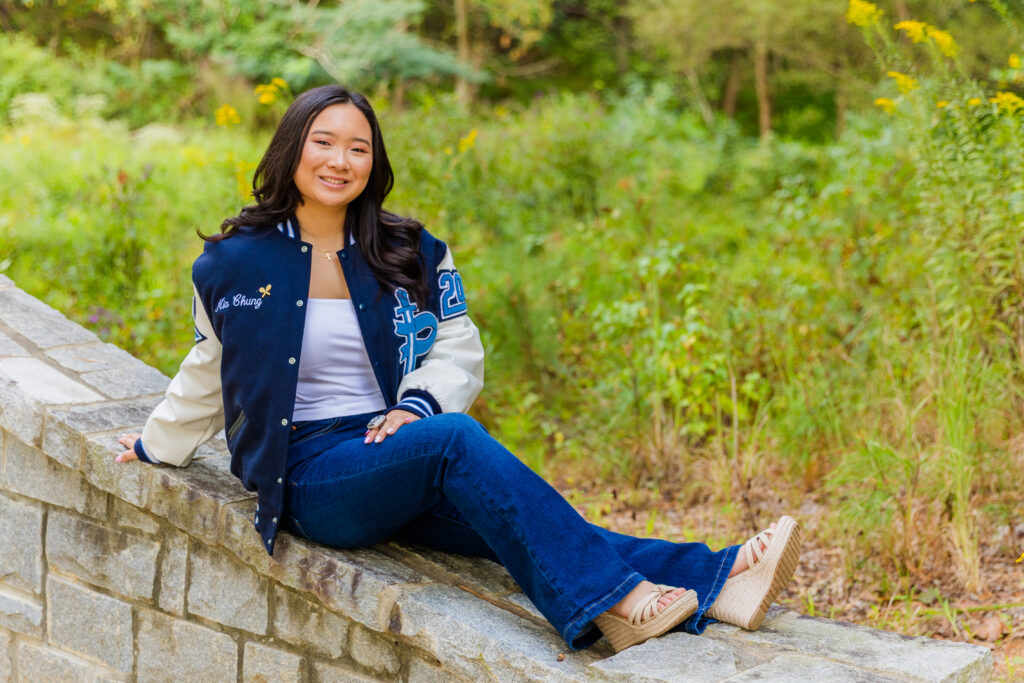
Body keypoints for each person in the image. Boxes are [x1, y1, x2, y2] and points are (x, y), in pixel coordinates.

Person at [114, 85, 802, 653]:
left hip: (393, 443)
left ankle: (724, 575)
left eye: (358, 147)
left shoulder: (407, 248)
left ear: (374, 163)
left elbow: (457, 341)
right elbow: (209, 363)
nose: (339, 160)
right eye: (323, 142)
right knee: (457, 439)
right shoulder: (234, 263)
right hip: (311, 472)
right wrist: (154, 445)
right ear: (292, 147)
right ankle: (620, 605)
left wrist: (415, 405)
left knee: (528, 520)